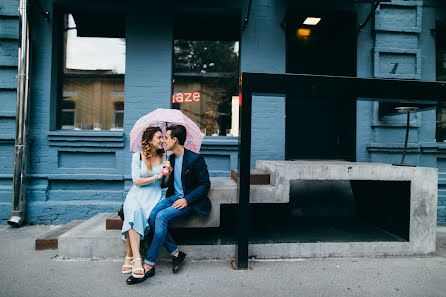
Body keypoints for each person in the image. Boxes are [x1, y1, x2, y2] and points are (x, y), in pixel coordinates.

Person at [126, 124, 211, 285]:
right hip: (173, 198)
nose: (164, 141)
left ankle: (148, 265)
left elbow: (205, 185)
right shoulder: (170, 159)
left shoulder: (195, 159)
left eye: (166, 138)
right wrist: (166, 173)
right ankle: (175, 253)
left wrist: (187, 199)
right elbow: (165, 185)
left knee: (161, 217)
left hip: (189, 201)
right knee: (152, 216)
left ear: (175, 140)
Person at [121, 126, 168, 280]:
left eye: (163, 137)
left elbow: (164, 184)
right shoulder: (137, 157)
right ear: (149, 140)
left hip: (154, 195)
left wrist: (168, 173)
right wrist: (157, 176)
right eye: (159, 137)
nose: (162, 140)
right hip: (137, 194)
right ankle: (137, 259)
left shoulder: (164, 158)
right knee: (133, 210)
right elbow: (137, 181)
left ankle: (129, 256)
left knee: (139, 215)